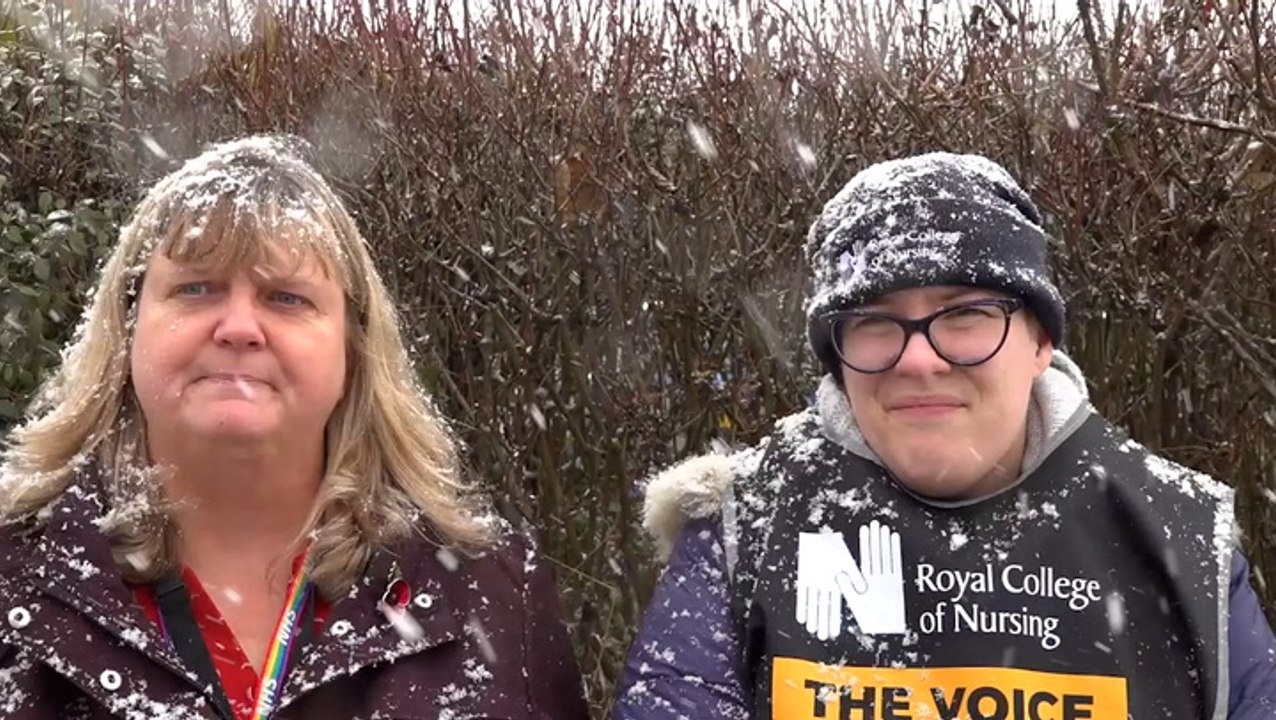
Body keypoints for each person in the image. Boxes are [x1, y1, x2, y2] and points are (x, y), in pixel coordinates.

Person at [613, 152, 1276, 719]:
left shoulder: (1178, 534)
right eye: (874, 320)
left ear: (1040, 340)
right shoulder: (744, 527)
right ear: (838, 357)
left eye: (965, 314)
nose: (919, 359)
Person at [0, 135, 588, 719]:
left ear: (353, 351)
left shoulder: (491, 589)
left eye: (286, 297)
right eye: (195, 288)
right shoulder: (14, 574)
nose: (238, 327)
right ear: (127, 330)